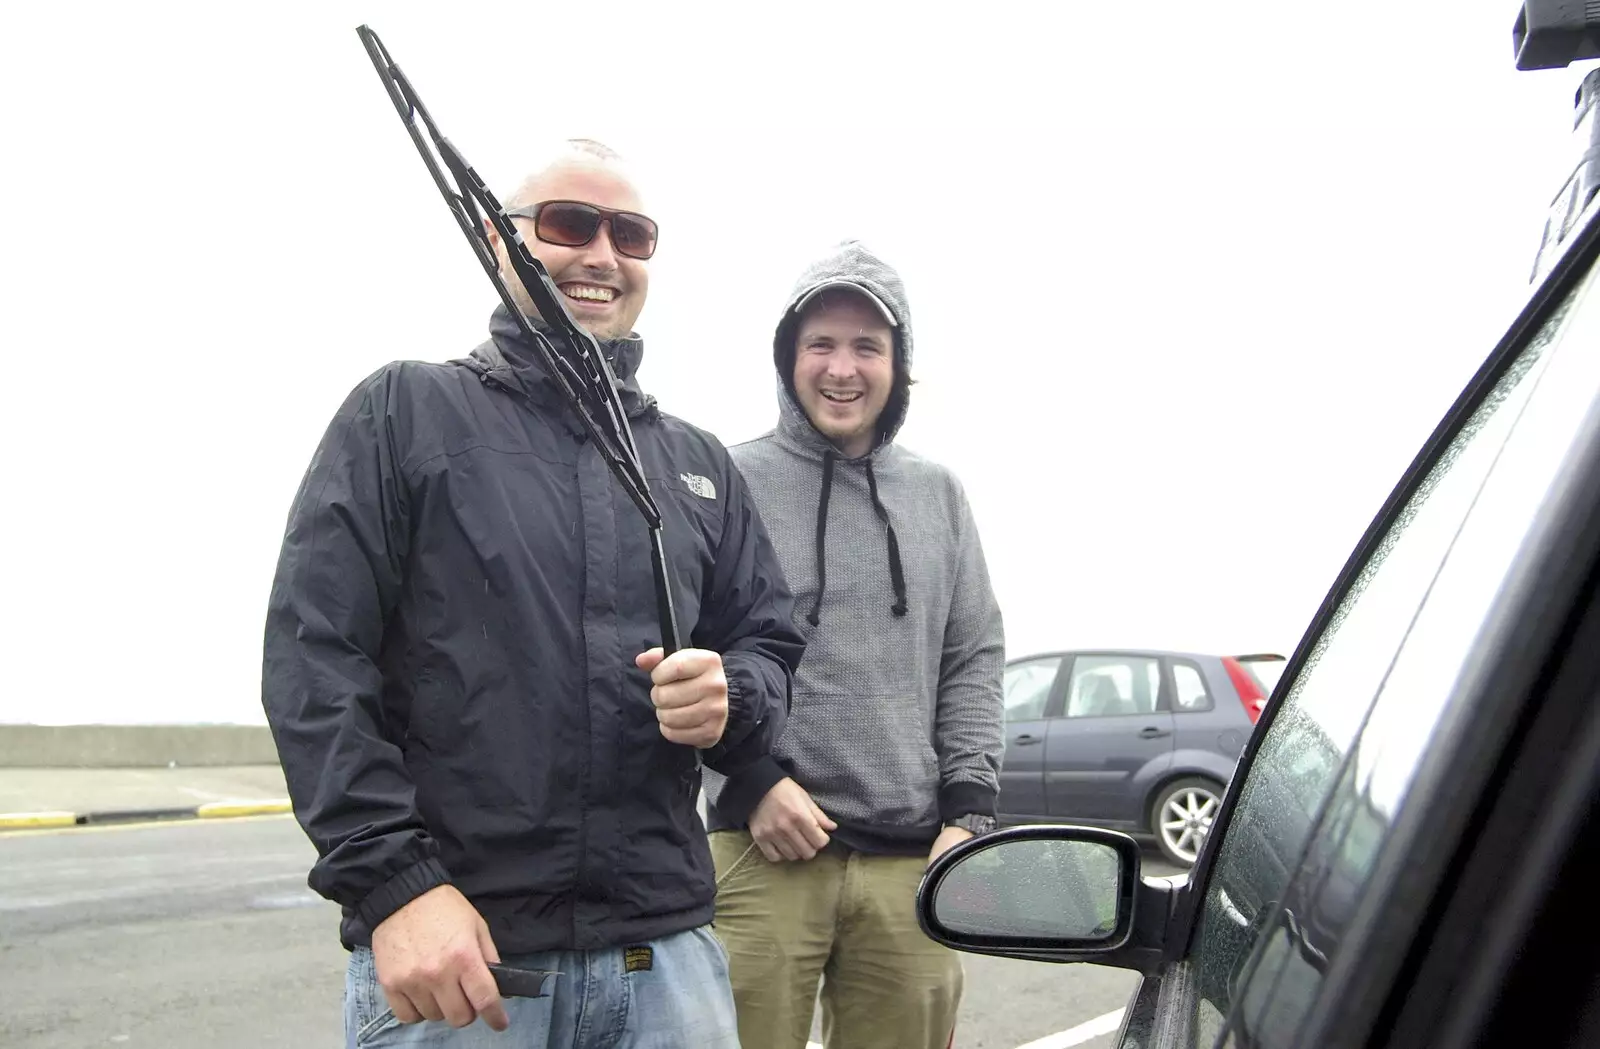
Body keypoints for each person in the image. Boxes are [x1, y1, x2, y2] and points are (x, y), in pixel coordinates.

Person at [261, 138, 805, 1049]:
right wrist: (395, 886)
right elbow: (316, 657)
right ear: (495, 235)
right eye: (567, 223)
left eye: (630, 233)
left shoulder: (697, 462)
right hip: (465, 961)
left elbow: (770, 645)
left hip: (664, 960)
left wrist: (732, 694)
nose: (601, 254)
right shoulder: (405, 411)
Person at [701, 240, 1007, 1049]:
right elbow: (683, 651)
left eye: (868, 346)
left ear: (897, 366)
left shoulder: (940, 495)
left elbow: (972, 653)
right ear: (788, 357)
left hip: (911, 861)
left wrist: (968, 813)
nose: (843, 368)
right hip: (764, 848)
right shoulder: (728, 480)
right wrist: (750, 775)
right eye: (821, 344)